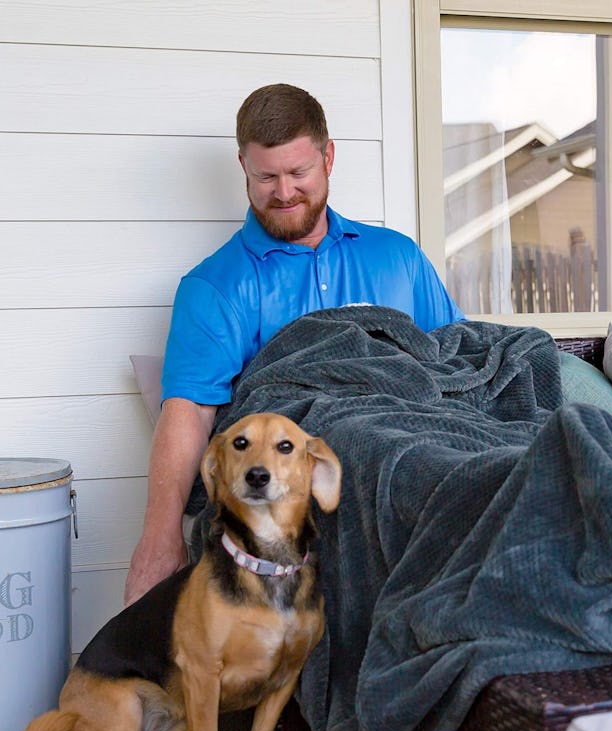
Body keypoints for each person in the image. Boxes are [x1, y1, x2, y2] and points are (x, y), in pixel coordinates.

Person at [124, 84, 464, 605]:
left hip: (425, 436)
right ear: (243, 167)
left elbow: (454, 359)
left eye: (298, 172)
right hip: (327, 465)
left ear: (328, 157)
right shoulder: (214, 286)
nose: (283, 192)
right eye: (266, 176)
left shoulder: (398, 257)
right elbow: (189, 410)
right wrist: (159, 536)